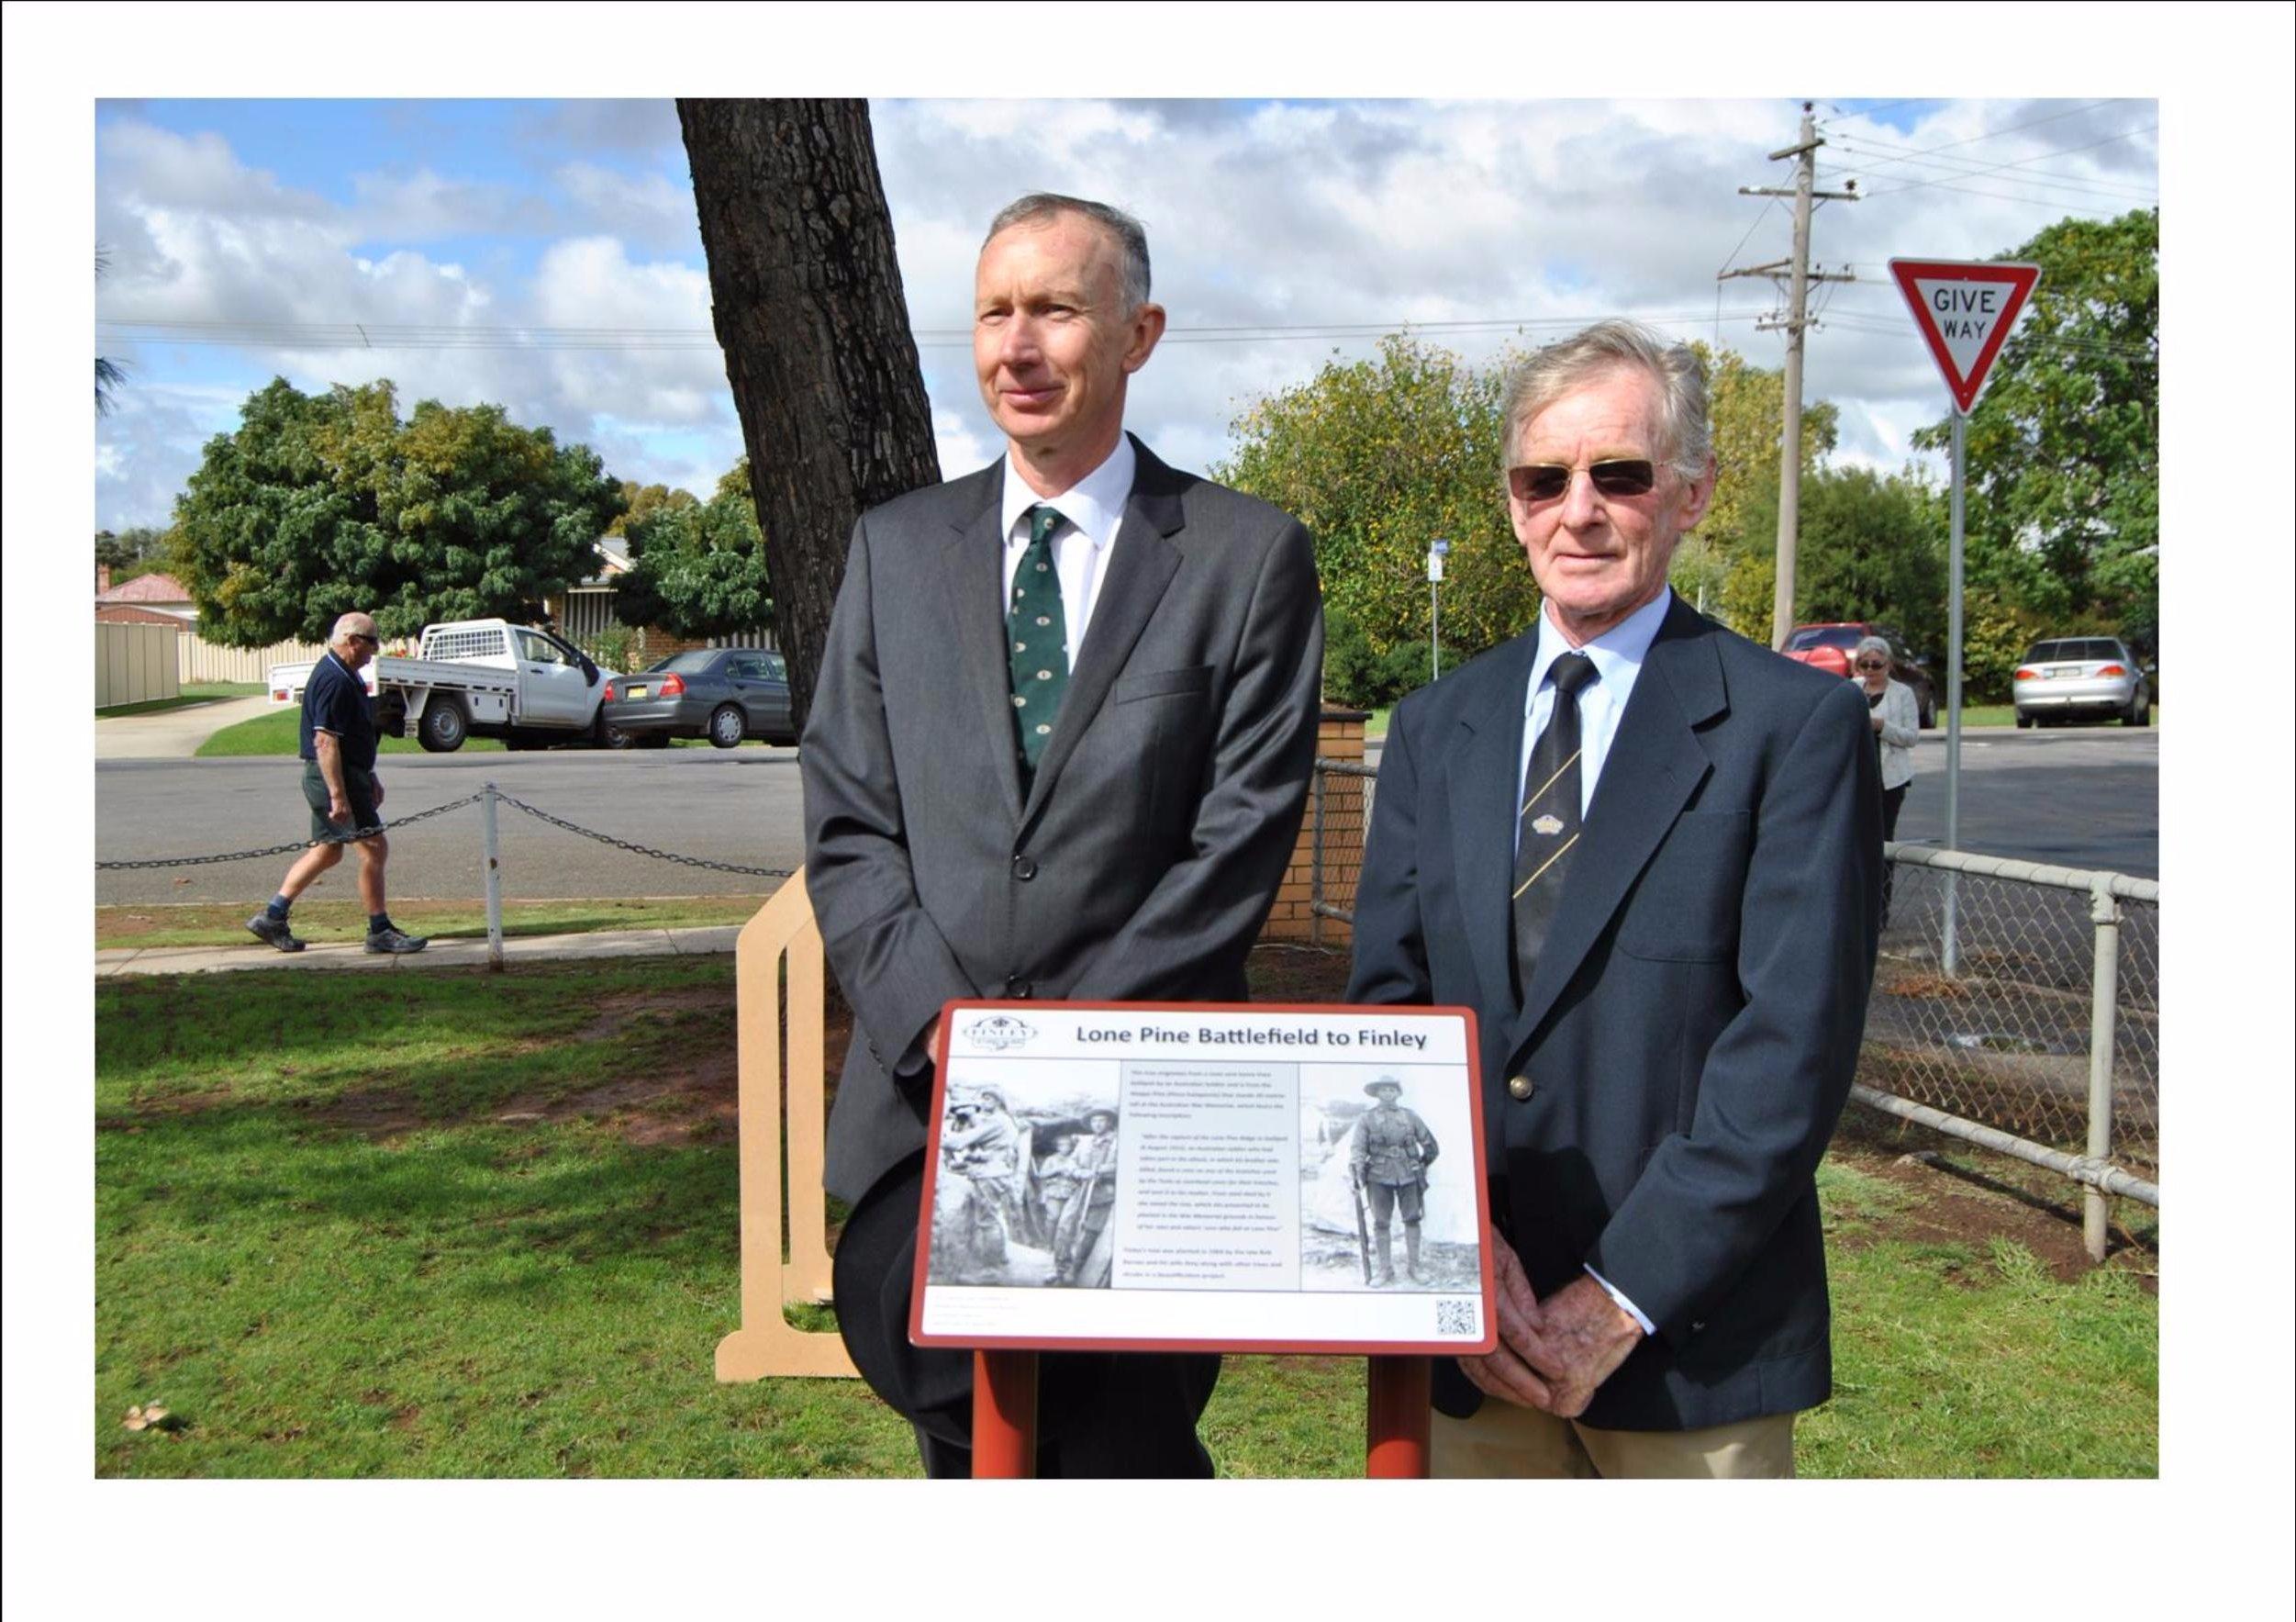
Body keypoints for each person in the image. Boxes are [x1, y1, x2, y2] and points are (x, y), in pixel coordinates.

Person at [803, 192, 1324, 1478]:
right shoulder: (892, 550)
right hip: (925, 1120)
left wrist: (1070, 1051)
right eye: (993, 311)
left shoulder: (1244, 557)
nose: (1016, 346)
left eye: (1054, 308)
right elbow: (848, 819)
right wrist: (956, 1037)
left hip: (1150, 1125)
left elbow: (1238, 839)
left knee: (1124, 1458)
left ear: (1138, 333)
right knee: (963, 1454)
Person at [1347, 319, 1881, 1479]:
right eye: (1545, 478)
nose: (1577, 510)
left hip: (1692, 1352)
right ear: (1511, 502)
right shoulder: (1439, 728)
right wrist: (1458, 1247)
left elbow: (1788, 1054)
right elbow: (1391, 1004)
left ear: (1690, 494)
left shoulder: (1796, 728)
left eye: (1619, 475)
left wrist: (1620, 1296)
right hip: (1471, 1343)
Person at [244, 611, 428, 956]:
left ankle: (272, 916)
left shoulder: (347, 675)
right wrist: (338, 794)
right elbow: (325, 741)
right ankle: (379, 930)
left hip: (347, 773)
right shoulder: (333, 679)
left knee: (328, 851)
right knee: (374, 847)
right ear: (352, 641)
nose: (376, 649)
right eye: (372, 641)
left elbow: (354, 735)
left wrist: (368, 773)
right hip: (333, 776)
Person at [1855, 634, 1920, 927]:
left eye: (1876, 665)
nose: (1870, 670)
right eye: (1864, 664)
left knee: (1883, 845)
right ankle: (1856, 907)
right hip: (1857, 778)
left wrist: (1882, 727)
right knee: (1854, 844)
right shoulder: (1851, 690)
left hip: (1889, 781)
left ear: (1888, 664)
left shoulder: (1902, 694)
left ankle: (1880, 912)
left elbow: (1911, 737)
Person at [1349, 1079, 1440, 1285]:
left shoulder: (1410, 1117)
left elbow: (1431, 1145)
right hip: (1378, 1177)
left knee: (1412, 1219)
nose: (1388, 1094)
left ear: (1398, 1093)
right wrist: (1358, 1175)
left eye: (1392, 1090)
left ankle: (1414, 1267)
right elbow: (1358, 1149)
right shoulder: (1367, 1119)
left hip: (1409, 1175)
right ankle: (1385, 1270)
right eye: (1384, 1090)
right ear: (1377, 1094)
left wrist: (1421, 1165)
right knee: (1381, 1223)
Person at [1053, 1109, 1120, 1288]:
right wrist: (1078, 1172)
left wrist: (1102, 1171)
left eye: (1102, 1120)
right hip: (1080, 1191)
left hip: (1103, 1195)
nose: (1097, 1124)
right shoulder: (1084, 1142)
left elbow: (1122, 1164)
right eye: (1094, 1121)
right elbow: (1070, 1162)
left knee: (1089, 1234)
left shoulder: (1118, 1143)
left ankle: (1074, 1271)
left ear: (1109, 1123)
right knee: (1064, 1227)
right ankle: (1060, 1268)